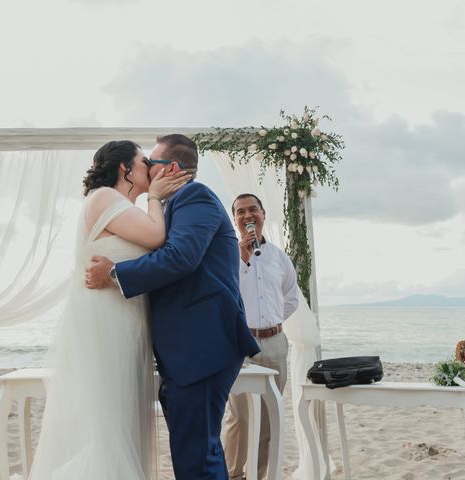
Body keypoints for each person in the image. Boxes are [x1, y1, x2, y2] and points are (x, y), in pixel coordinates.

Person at [86, 134, 260, 480]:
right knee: (192, 451)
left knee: (198, 455)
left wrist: (115, 273)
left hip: (203, 346)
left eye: (151, 163)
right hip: (185, 352)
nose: (147, 169)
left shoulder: (195, 196)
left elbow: (181, 257)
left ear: (173, 168)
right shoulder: (166, 208)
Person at [28, 140, 190, 480]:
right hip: (106, 321)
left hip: (128, 320)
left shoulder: (122, 206)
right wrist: (156, 197)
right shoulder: (104, 197)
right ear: (124, 168)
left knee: (121, 418)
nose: (150, 166)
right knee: (107, 421)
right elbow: (156, 237)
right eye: (143, 160)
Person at [223, 193, 299, 480]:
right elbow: (224, 294)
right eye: (240, 211)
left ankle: (261, 473)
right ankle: (233, 474)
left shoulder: (279, 257)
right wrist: (242, 260)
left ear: (263, 214)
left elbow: (291, 298)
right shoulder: (228, 255)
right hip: (240, 344)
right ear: (235, 220)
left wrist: (272, 324)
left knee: (269, 415)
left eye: (252, 209)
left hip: (275, 343)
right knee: (239, 417)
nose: (247, 216)